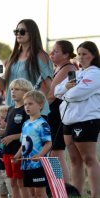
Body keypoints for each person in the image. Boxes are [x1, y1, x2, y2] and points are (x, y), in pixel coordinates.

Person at [54, 41, 100, 197]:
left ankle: (96, 194)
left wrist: (66, 92)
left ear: (93, 55)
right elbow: (56, 91)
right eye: (79, 54)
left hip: (86, 121)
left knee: (89, 159)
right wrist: (67, 89)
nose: (81, 57)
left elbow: (76, 94)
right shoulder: (78, 73)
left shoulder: (96, 73)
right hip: (68, 121)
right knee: (74, 160)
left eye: (85, 54)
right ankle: (76, 193)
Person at [0, 19, 53, 117]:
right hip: (12, 110)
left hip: (32, 112)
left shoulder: (40, 56)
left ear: (32, 33)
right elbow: (7, 88)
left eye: (22, 31)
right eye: (16, 31)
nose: (18, 34)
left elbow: (48, 86)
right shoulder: (13, 56)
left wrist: (33, 105)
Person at [46, 40, 77, 183]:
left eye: (56, 51)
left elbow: (52, 94)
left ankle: (62, 185)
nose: (51, 53)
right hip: (54, 113)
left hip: (59, 115)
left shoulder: (68, 68)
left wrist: (37, 111)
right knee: (53, 152)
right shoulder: (58, 68)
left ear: (66, 55)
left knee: (56, 152)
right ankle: (56, 184)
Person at [13, 90, 52, 198]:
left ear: (40, 105)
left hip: (38, 165)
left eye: (30, 104)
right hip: (26, 165)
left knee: (40, 192)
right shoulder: (25, 124)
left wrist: (40, 155)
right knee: (32, 193)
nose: (27, 107)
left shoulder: (42, 124)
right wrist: (17, 155)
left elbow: (48, 144)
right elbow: (24, 143)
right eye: (25, 104)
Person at [1, 78, 33, 198]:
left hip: (20, 151)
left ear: (26, 92)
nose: (13, 92)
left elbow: (30, 132)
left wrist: (14, 137)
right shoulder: (10, 109)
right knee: (12, 182)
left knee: (21, 182)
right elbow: (6, 131)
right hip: (7, 151)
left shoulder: (27, 110)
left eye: (17, 89)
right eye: (11, 89)